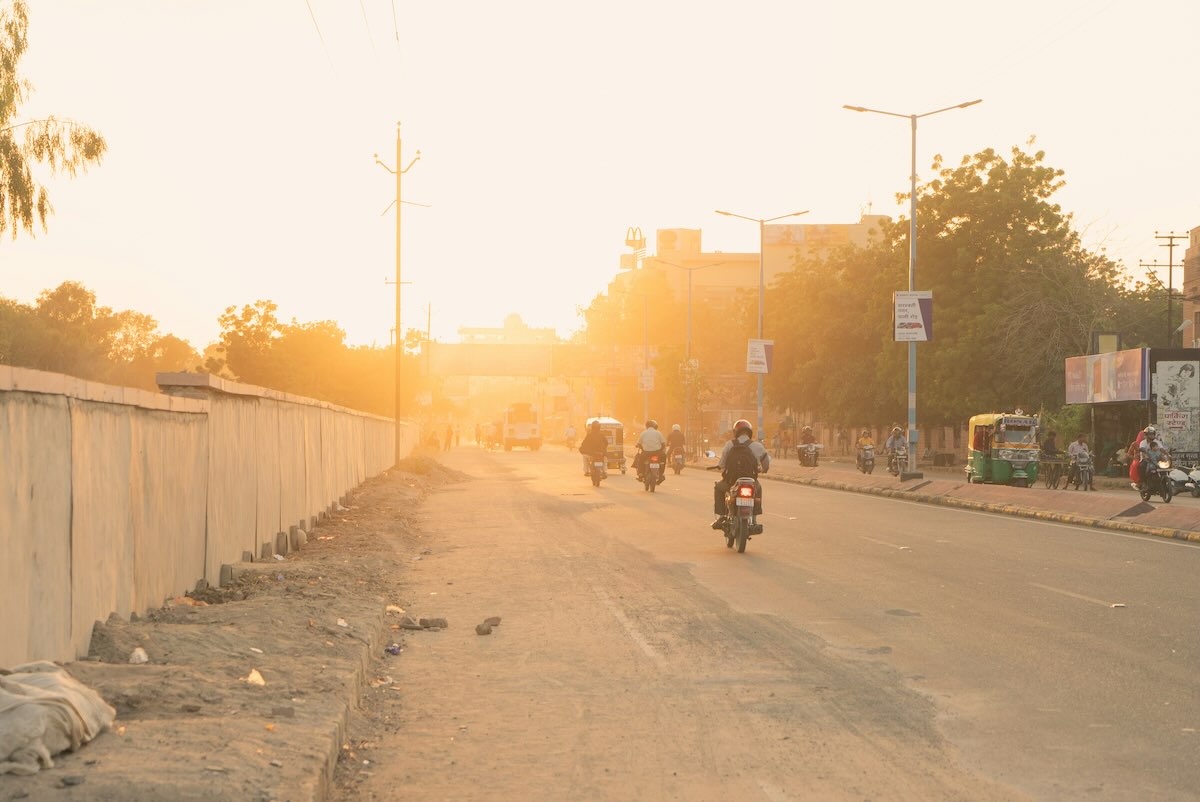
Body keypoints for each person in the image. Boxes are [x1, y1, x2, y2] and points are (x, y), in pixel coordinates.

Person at [711, 419, 771, 529]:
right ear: (749, 432)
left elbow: (722, 463)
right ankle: (754, 519)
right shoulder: (757, 446)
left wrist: (721, 467)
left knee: (718, 488)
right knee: (758, 489)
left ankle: (722, 516)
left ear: (736, 432)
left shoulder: (729, 445)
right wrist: (764, 470)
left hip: (731, 482)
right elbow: (766, 462)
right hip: (750, 482)